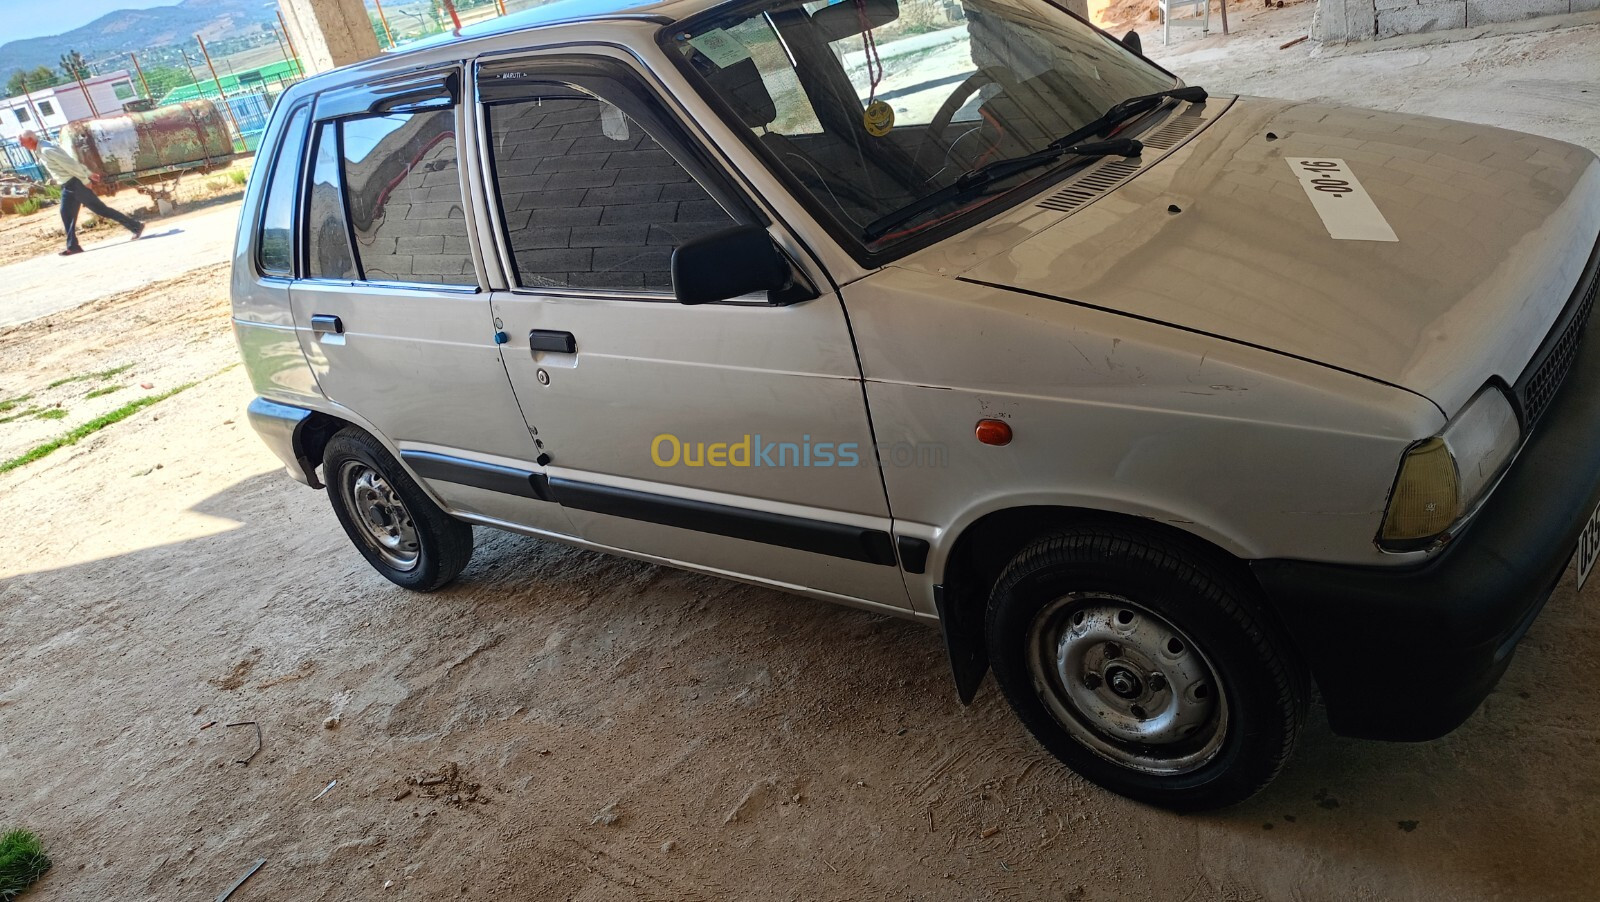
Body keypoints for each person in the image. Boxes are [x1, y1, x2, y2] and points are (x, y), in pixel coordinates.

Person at [18, 130, 143, 256]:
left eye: (22, 142)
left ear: (30, 140)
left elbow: (70, 164)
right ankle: (73, 246)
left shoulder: (47, 150)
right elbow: (70, 161)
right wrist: (88, 174)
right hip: (68, 185)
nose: (22, 146)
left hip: (75, 184)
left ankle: (135, 226)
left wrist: (85, 179)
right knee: (66, 213)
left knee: (101, 210)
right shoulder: (41, 150)